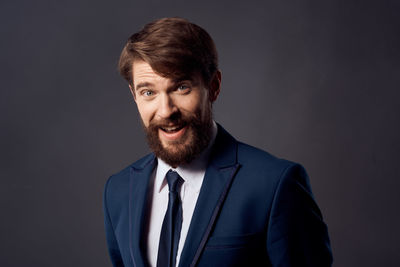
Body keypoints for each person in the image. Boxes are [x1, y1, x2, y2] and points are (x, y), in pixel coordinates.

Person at [103, 17, 333, 267]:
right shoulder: (118, 191)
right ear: (134, 95)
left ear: (213, 86)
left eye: (181, 87)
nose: (166, 110)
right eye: (149, 92)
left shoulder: (275, 185)